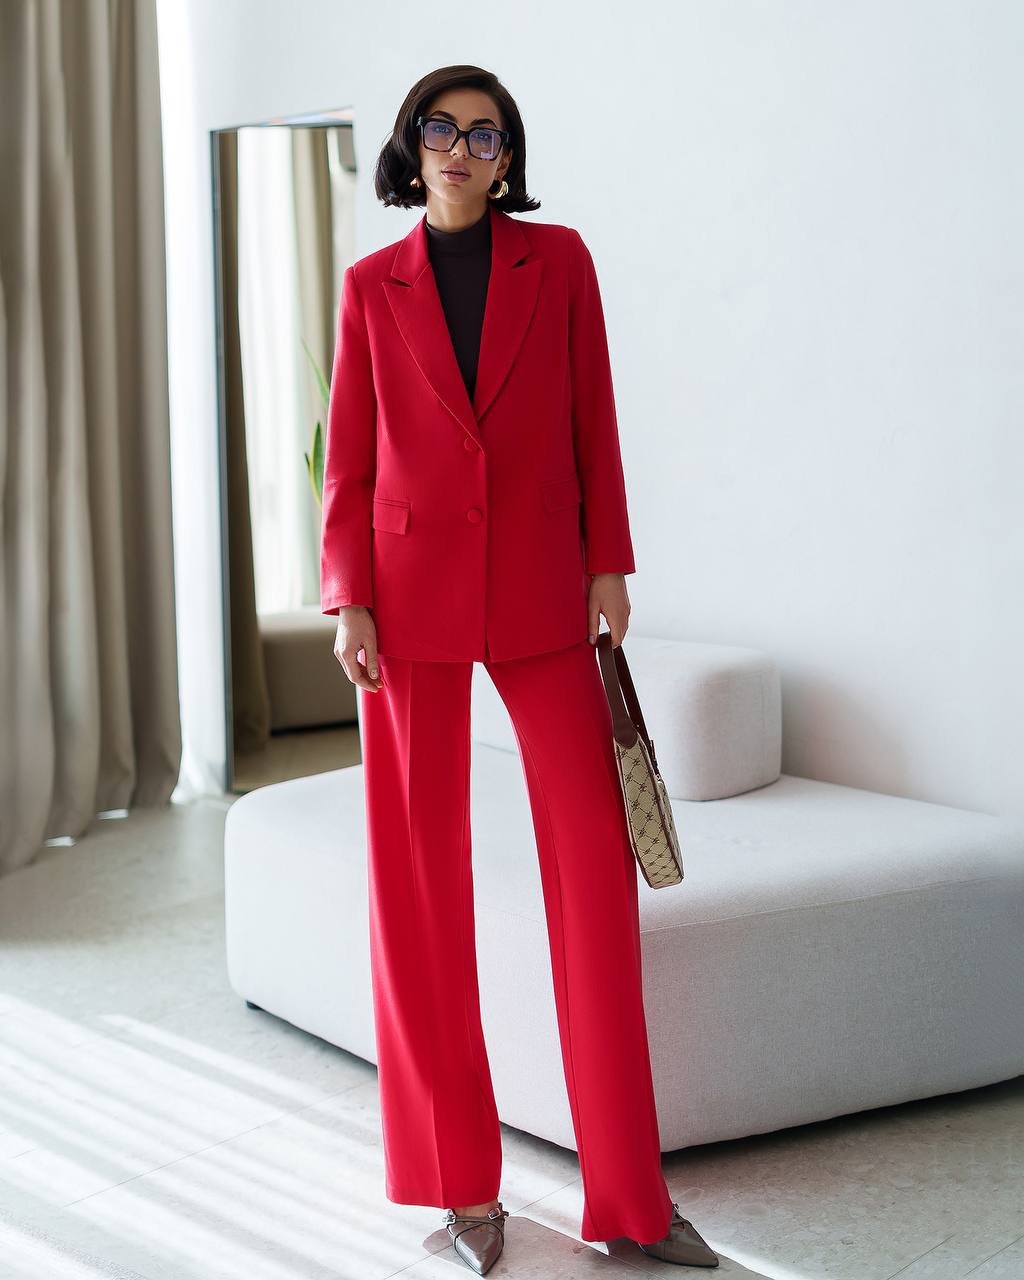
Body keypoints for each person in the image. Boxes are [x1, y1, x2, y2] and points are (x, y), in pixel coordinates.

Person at [319, 63, 719, 1274]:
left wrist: (610, 564)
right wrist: (348, 594)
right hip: (406, 604)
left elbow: (595, 413)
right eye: (439, 128)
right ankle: (461, 1193)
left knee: (593, 884)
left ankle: (630, 1201)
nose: (460, 147)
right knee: (419, 887)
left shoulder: (565, 264)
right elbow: (347, 459)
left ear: (506, 159)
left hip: (549, 594)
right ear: (412, 148)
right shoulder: (367, 289)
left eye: (484, 133)